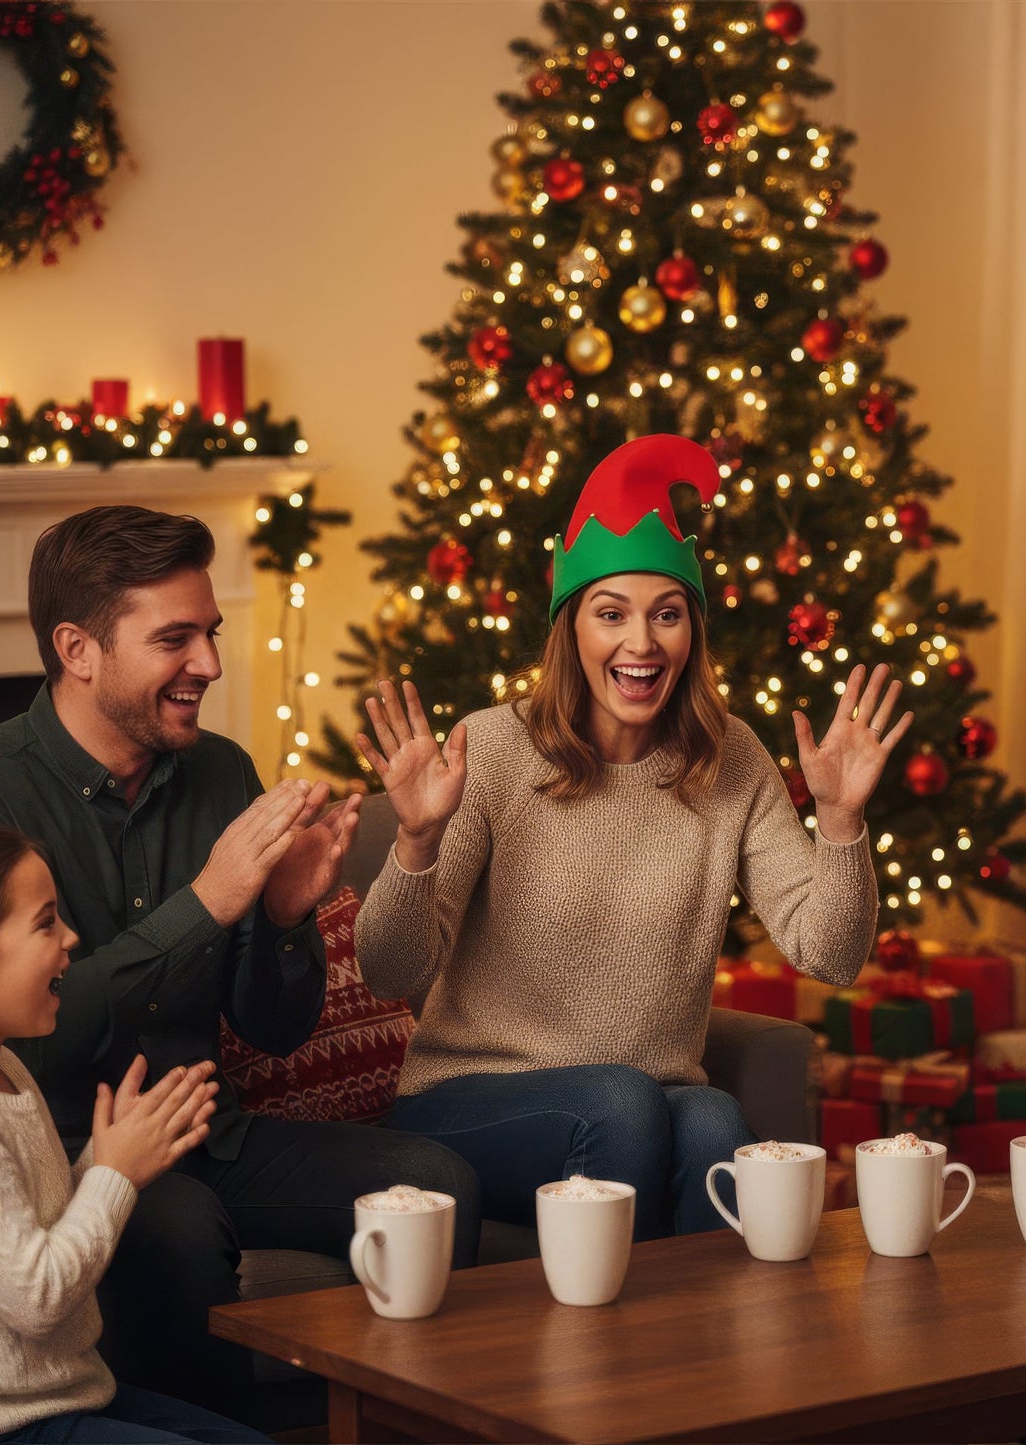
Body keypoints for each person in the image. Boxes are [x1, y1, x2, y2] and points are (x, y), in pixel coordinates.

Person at [0, 507, 479, 1424]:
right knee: (172, 1226)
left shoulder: (221, 774)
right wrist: (208, 904)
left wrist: (286, 917)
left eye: (209, 633)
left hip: (213, 1131)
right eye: (174, 638)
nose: (210, 665)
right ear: (78, 648)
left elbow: (274, 1025)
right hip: (68, 1157)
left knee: (434, 1182)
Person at [354, 434, 912, 1240]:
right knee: (624, 1101)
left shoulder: (731, 758)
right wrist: (414, 840)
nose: (641, 644)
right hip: (474, 1098)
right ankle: (612, 1356)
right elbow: (387, 968)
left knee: (717, 1124)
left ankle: (696, 1360)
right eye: (610, 613)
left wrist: (840, 822)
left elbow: (830, 954)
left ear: (691, 632)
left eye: (666, 615)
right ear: (570, 629)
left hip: (644, 1099)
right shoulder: (494, 749)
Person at [0, 755, 266, 1443]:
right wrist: (113, 1173)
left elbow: (33, 1231)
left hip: (66, 1395)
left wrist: (111, 1156)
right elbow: (37, 1297)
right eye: (48, 923)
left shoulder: (8, 1069)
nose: (72, 939)